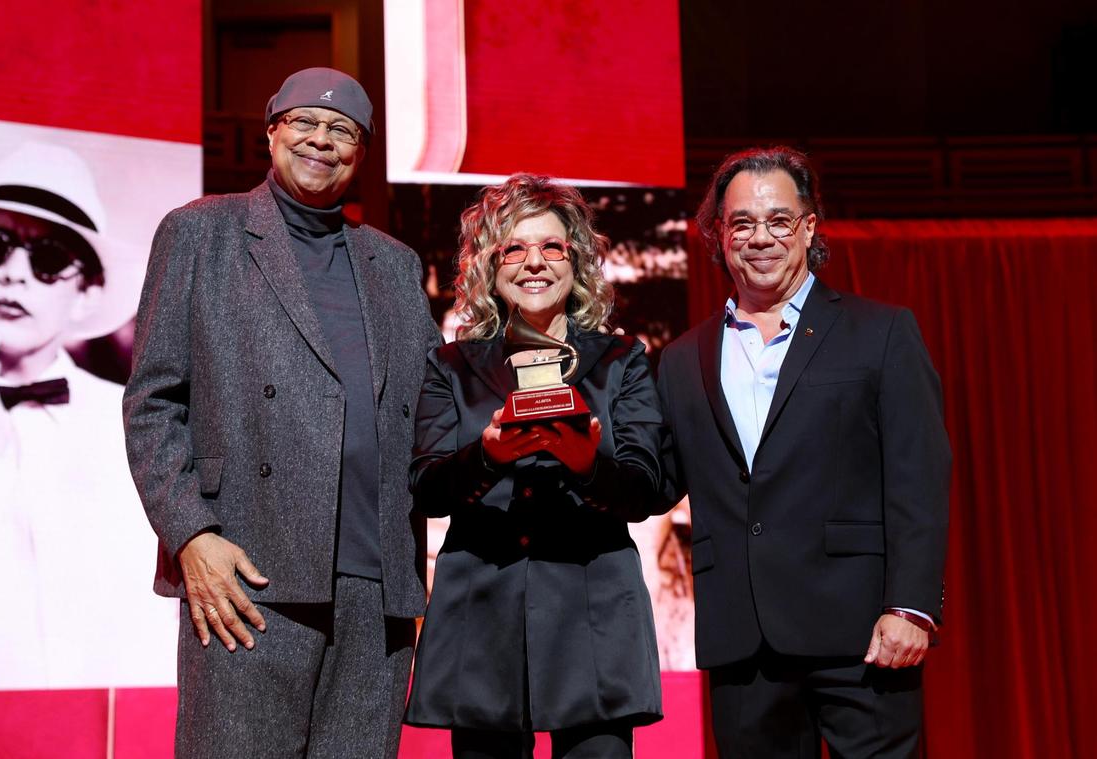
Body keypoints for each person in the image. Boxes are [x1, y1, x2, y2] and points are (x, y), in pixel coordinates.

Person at [123, 68, 440, 757]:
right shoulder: (200, 234)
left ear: (361, 151)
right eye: (305, 122)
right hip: (247, 577)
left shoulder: (393, 264)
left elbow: (434, 409)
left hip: (376, 586)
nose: (321, 140)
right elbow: (151, 401)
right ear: (272, 131)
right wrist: (191, 533)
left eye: (342, 130)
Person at [657, 146, 950, 758]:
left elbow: (918, 477)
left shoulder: (882, 331)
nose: (759, 237)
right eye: (741, 222)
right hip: (744, 642)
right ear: (719, 234)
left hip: (863, 633)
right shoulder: (684, 358)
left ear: (809, 227)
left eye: (778, 220)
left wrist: (912, 607)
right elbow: (661, 481)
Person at [403, 173, 671, 759]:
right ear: (488, 268)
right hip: (482, 613)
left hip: (592, 609)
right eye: (514, 249)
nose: (534, 263)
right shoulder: (450, 366)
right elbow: (426, 488)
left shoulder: (620, 360)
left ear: (575, 261)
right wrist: (488, 456)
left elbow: (644, 487)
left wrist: (586, 465)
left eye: (551, 246)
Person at [0, 142, 176, 689]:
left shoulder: (131, 425)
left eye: (49, 258)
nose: (15, 275)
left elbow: (148, 616)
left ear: (87, 294)